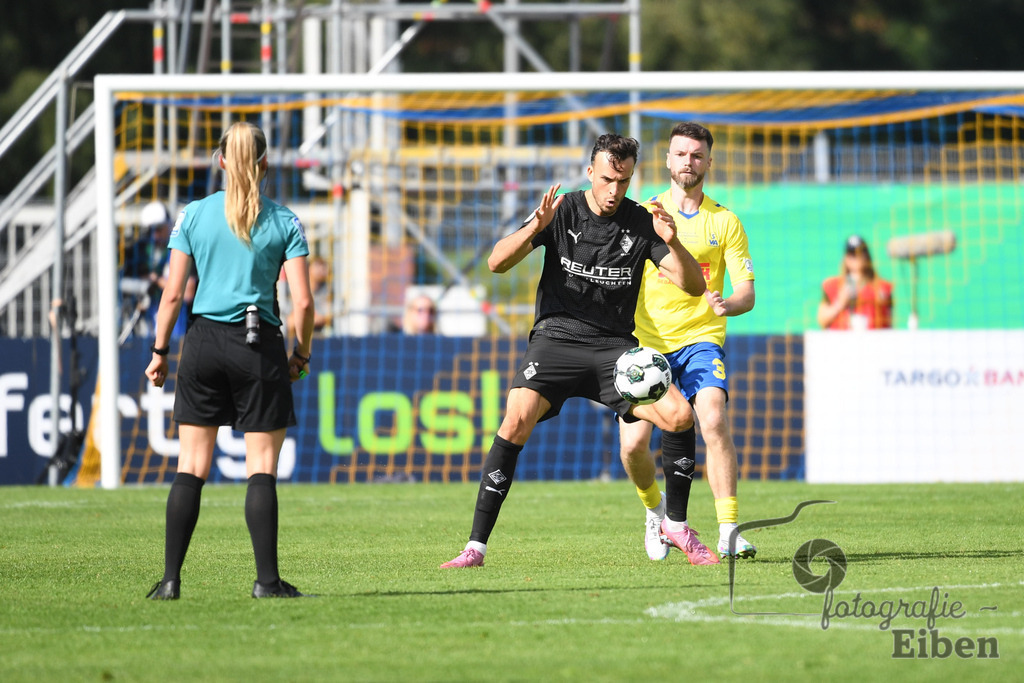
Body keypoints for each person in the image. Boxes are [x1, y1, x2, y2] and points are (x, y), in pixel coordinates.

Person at [441, 133, 707, 569]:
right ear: (590, 173)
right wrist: (535, 226)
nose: (613, 191)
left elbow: (694, 288)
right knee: (515, 420)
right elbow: (495, 262)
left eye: (623, 181)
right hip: (556, 341)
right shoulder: (562, 210)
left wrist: (672, 242)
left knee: (680, 416)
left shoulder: (641, 222)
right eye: (606, 179)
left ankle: (674, 525)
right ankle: (475, 548)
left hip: (615, 351)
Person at [144, 121, 315, 599]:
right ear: (264, 164)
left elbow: (173, 294)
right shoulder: (284, 220)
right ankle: (266, 582)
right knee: (260, 467)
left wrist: (159, 352)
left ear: (221, 161)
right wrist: (300, 354)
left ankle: (171, 581)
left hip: (201, 344)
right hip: (257, 344)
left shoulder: (193, 215)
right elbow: (302, 302)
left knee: (191, 465)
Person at [619, 122, 757, 566]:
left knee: (713, 419)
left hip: (700, 340)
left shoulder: (725, 221)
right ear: (668, 160)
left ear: (709, 162)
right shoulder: (642, 213)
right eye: (680, 154)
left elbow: (746, 294)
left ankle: (729, 530)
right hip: (646, 346)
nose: (688, 162)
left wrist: (725, 306)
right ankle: (655, 512)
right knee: (632, 447)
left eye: (697, 155)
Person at [817, 235, 893, 330]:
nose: (856, 257)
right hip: (840, 341)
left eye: (861, 253)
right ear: (845, 258)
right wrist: (840, 303)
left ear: (867, 256)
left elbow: (889, 324)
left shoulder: (883, 287)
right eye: (852, 254)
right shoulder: (832, 286)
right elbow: (822, 320)